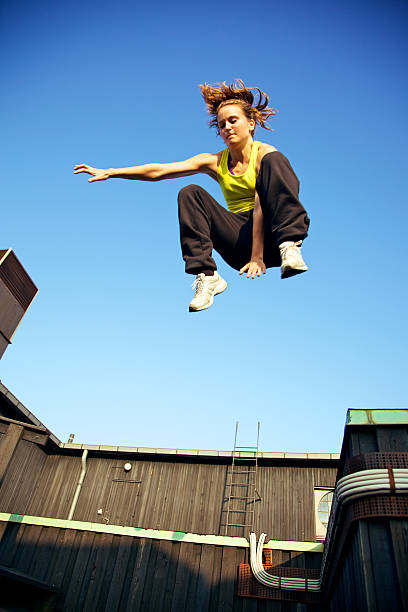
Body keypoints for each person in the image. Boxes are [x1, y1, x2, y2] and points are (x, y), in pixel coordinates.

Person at [74, 79, 310, 312]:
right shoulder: (215, 161)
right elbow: (160, 170)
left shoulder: (263, 155)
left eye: (233, 120)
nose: (226, 127)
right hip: (239, 245)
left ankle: (290, 244)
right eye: (221, 124)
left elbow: (260, 205)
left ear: (250, 123)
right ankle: (208, 276)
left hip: (271, 235)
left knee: (276, 161)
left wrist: (258, 256)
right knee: (190, 193)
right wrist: (112, 172)